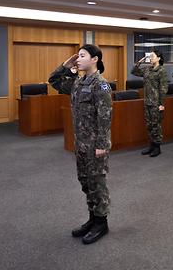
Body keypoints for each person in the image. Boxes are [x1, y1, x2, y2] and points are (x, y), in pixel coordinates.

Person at [48, 44, 112, 244]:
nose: (78, 59)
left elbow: (105, 117)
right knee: (85, 182)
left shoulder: (100, 85)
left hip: (95, 145)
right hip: (81, 144)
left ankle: (101, 223)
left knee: (97, 184)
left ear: (94, 59)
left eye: (82, 56)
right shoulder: (77, 83)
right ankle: (92, 218)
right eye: (77, 56)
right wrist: (65, 66)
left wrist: (102, 144)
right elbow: (54, 81)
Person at [131, 50, 168, 157]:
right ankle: (151, 145)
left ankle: (157, 147)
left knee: (156, 125)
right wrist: (140, 62)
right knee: (149, 125)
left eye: (152, 56)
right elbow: (134, 71)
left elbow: (164, 88)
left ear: (159, 58)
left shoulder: (161, 71)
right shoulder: (147, 69)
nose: (150, 58)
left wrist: (162, 103)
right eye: (150, 56)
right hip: (147, 101)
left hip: (156, 102)